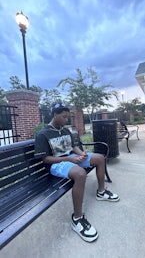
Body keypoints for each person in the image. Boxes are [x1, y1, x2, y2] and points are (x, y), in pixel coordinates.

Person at [34, 103, 119, 242]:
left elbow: (73, 146)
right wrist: (69, 158)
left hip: (71, 159)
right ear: (55, 115)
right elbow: (45, 159)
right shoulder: (43, 134)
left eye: (67, 117)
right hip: (56, 164)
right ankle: (77, 218)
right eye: (64, 117)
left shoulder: (65, 130)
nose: (66, 120)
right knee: (80, 174)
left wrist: (82, 154)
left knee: (99, 158)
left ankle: (101, 192)